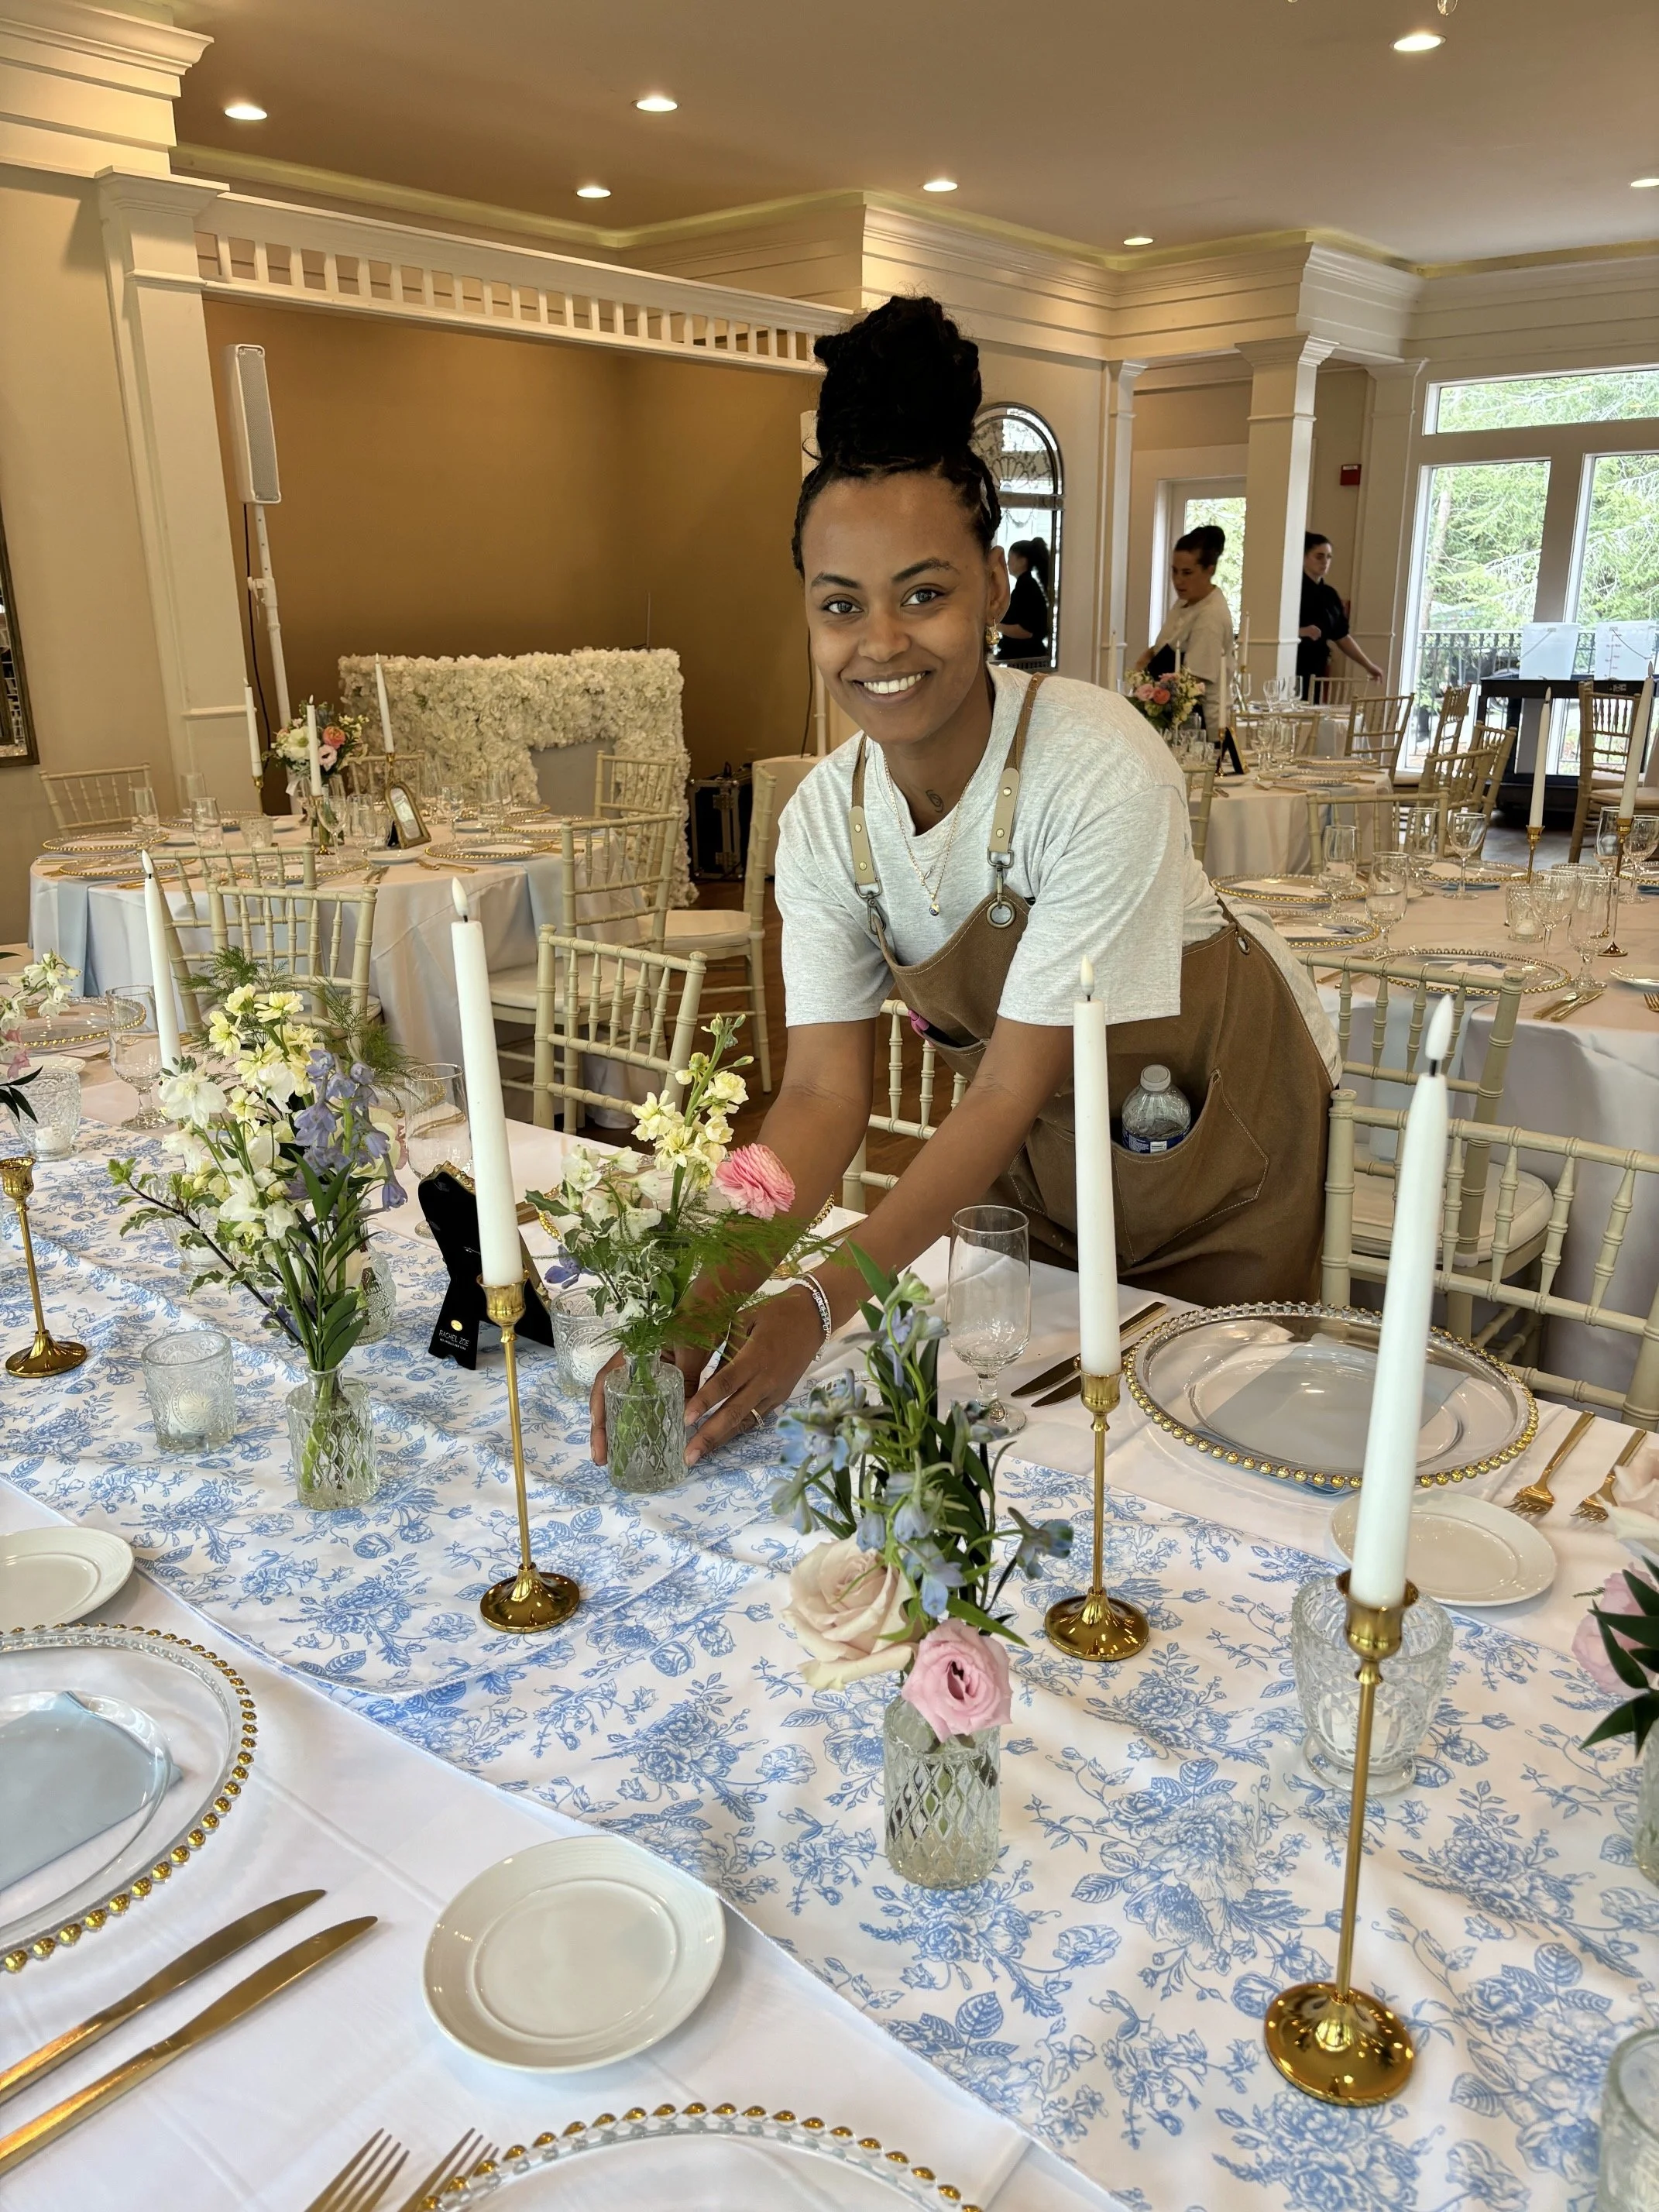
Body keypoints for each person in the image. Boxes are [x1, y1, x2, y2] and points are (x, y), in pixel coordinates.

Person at [591, 295, 1338, 1468]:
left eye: (923, 592)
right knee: (1037, 1464)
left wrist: (822, 1300)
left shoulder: (1096, 769)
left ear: (995, 588)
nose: (879, 642)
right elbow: (819, 1102)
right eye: (840, 604)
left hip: (1214, 1161)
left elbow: (994, 1092)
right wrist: (705, 1287)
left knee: (1195, 1477)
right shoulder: (826, 822)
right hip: (1034, 1175)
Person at [1136, 526, 1234, 740]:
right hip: (1175, 717)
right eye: (1174, 571)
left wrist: (1147, 677)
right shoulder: (1183, 603)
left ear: (1210, 570)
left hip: (1202, 725)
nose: (1178, 580)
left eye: (1187, 573)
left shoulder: (1211, 615)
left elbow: (1193, 680)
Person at [1299, 533, 1382, 695]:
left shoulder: (1330, 595)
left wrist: (1369, 666)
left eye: (1329, 557)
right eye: (1319, 556)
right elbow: (1273, 628)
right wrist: (1301, 631)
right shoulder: (1293, 589)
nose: (1325, 562)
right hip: (1292, 662)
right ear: (1304, 557)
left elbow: (1342, 636)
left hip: (1318, 665)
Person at [995, 538, 1050, 661]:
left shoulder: (1026, 588)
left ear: (1022, 561)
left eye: (1010, 558)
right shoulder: (1026, 586)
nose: (1007, 563)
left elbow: (1026, 631)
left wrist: (994, 627)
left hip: (1025, 658)